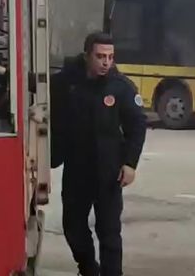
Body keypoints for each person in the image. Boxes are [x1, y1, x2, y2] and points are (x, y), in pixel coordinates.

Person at [50, 32, 147, 276]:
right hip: (77, 168)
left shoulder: (121, 87)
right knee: (73, 227)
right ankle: (89, 269)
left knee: (109, 232)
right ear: (87, 56)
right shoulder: (66, 82)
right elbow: (38, 88)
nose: (106, 62)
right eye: (100, 56)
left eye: (110, 57)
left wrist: (130, 163)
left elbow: (137, 126)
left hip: (109, 171)